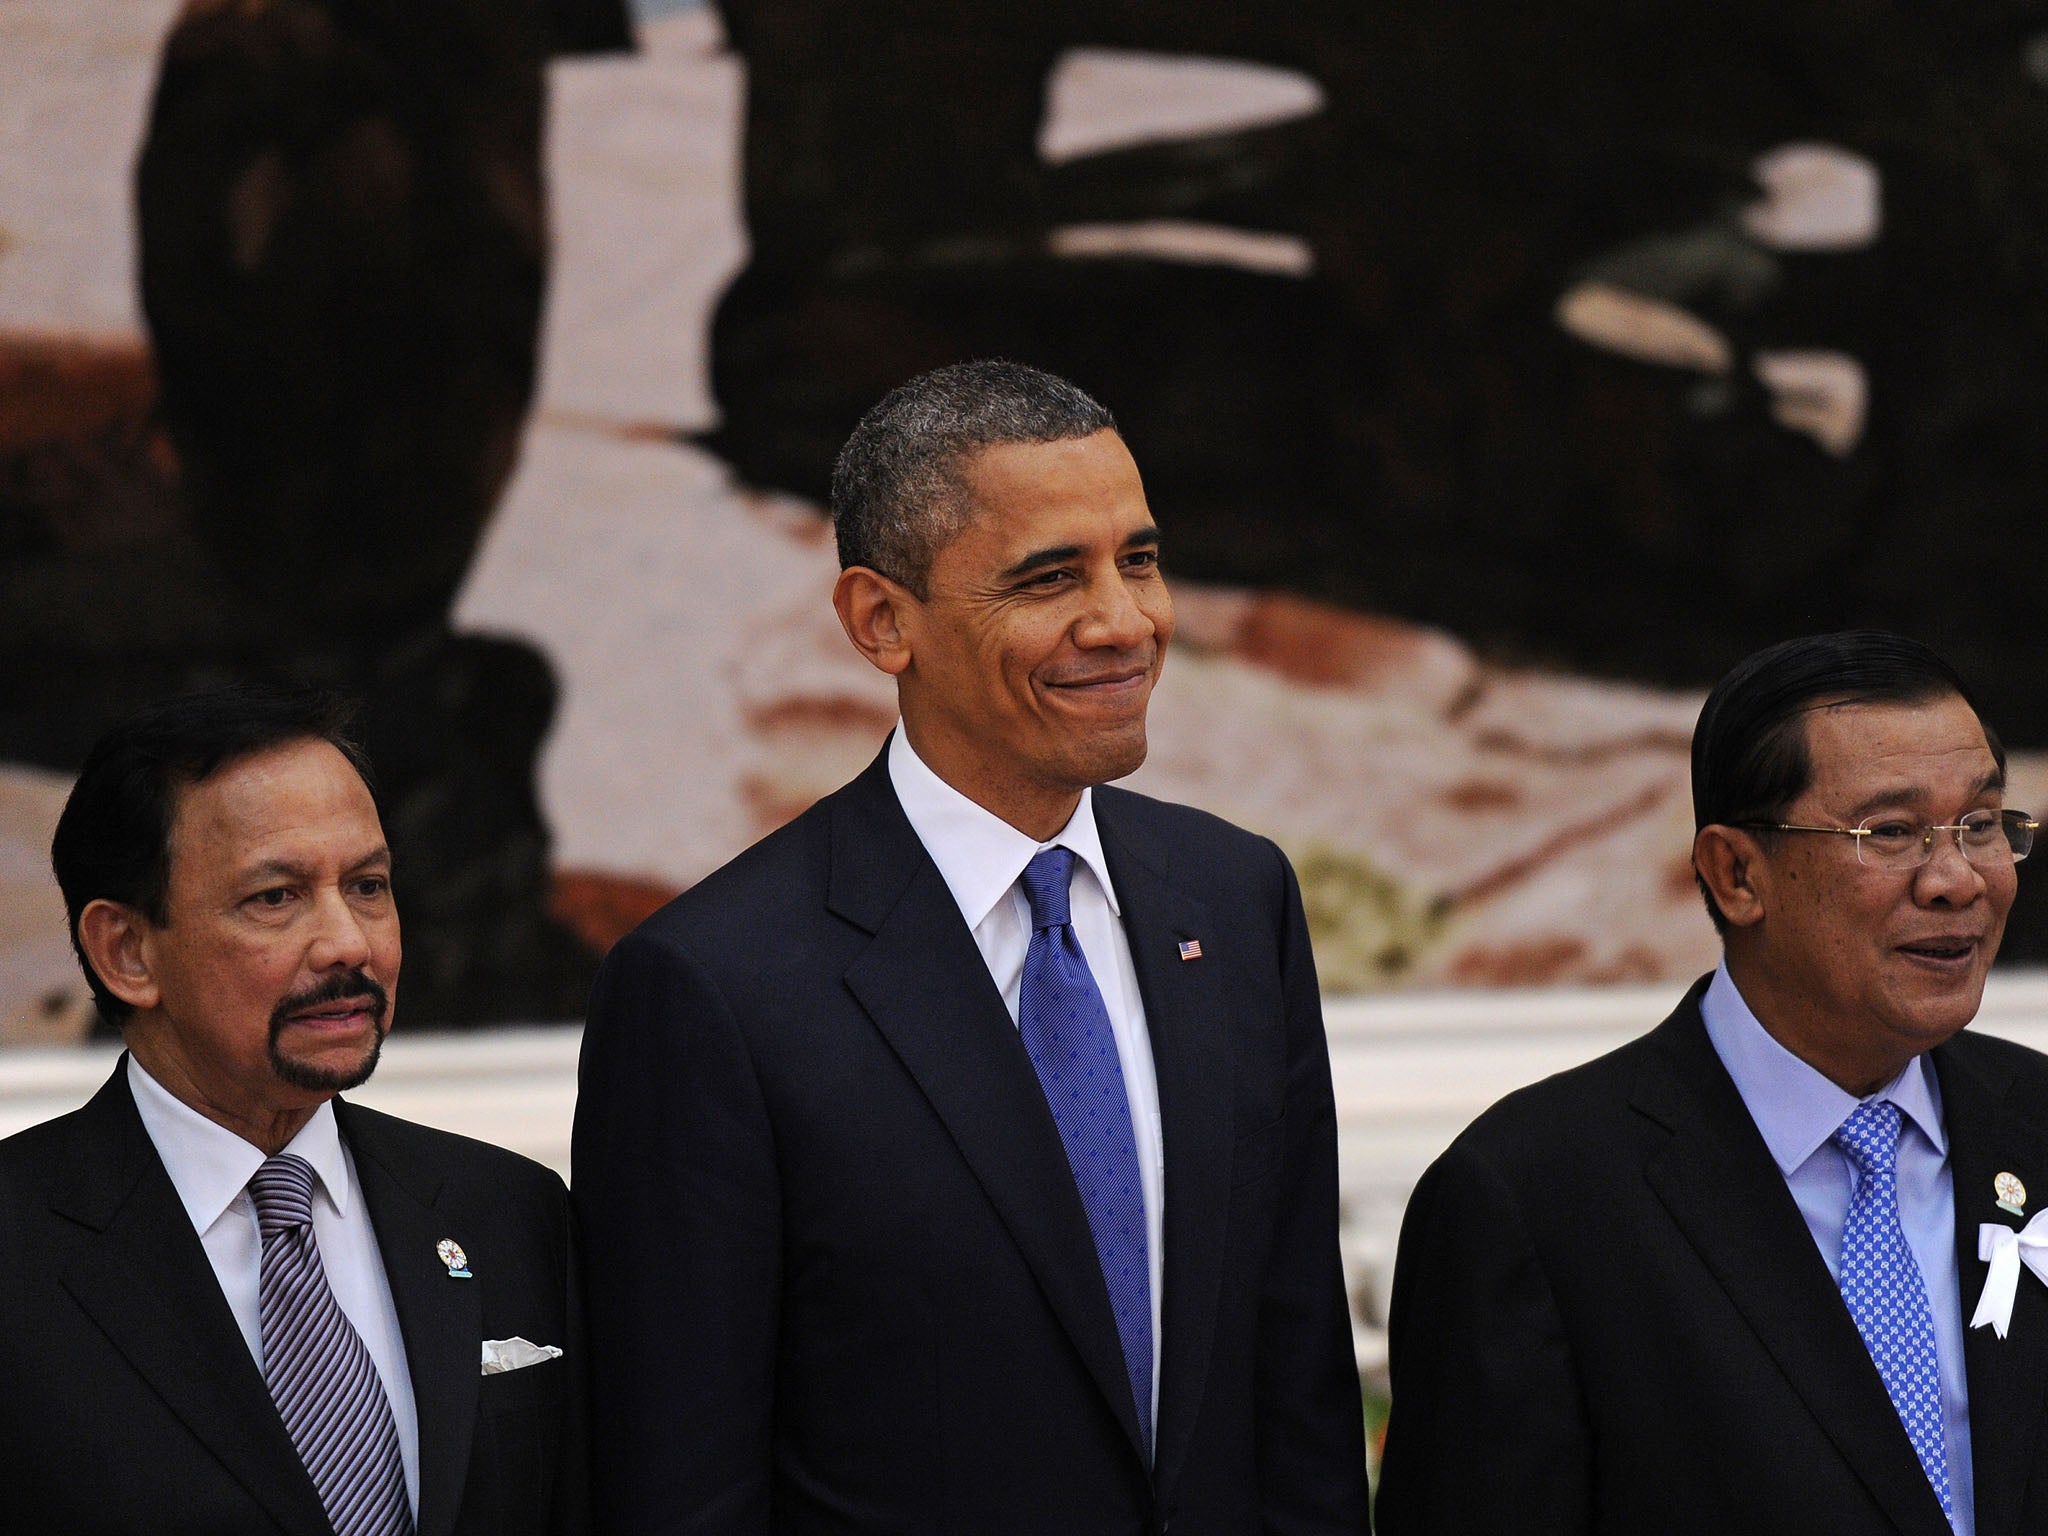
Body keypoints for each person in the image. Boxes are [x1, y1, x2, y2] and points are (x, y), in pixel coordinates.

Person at [574, 359, 1369, 1534]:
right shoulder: (713, 989)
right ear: (880, 619)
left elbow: (1294, 1372)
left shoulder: (1233, 897)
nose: (1125, 622)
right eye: (1049, 578)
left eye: (1138, 560)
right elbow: (680, 1478)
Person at [1376, 630, 2048, 1536]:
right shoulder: (1535, 1199)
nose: (1956, 878)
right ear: (1735, 874)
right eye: (1889, 833)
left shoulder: (2034, 1125)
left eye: (1979, 824)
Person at [1, 683, 588, 1536]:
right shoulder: (21, 1242)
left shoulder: (507, 1212)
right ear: (127, 952)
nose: (349, 943)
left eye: (369, 885)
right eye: (275, 897)